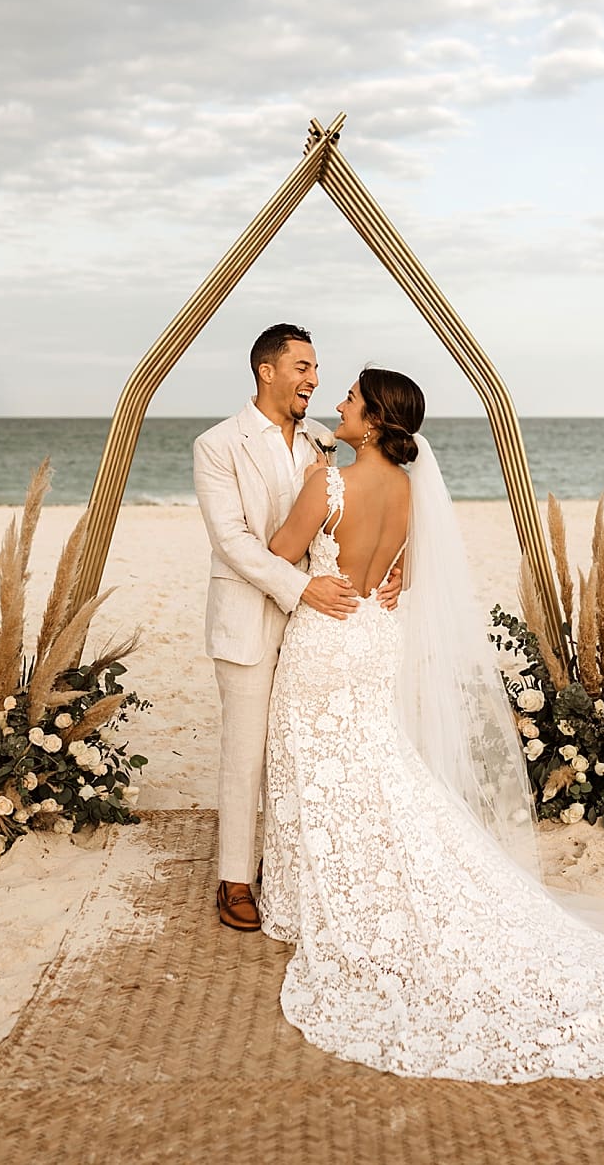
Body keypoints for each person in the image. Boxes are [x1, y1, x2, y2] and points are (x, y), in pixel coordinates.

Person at [255, 366, 604, 1081]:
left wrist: (312, 565)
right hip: (375, 640)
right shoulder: (412, 491)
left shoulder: (329, 483)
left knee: (315, 760)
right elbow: (407, 578)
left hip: (327, 638)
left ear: (379, 419)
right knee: (372, 761)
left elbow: (276, 557)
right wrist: (379, 574)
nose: (339, 404)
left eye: (351, 398)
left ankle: (304, 897)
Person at [191, 324, 400, 932]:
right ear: (268, 371)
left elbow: (351, 517)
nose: (314, 380)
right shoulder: (218, 445)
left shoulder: (322, 442)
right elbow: (231, 541)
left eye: (315, 369)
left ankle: (294, 863)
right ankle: (234, 877)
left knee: (304, 750)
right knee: (247, 749)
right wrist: (299, 587)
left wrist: (388, 575)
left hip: (321, 625)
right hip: (253, 615)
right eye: (303, 367)